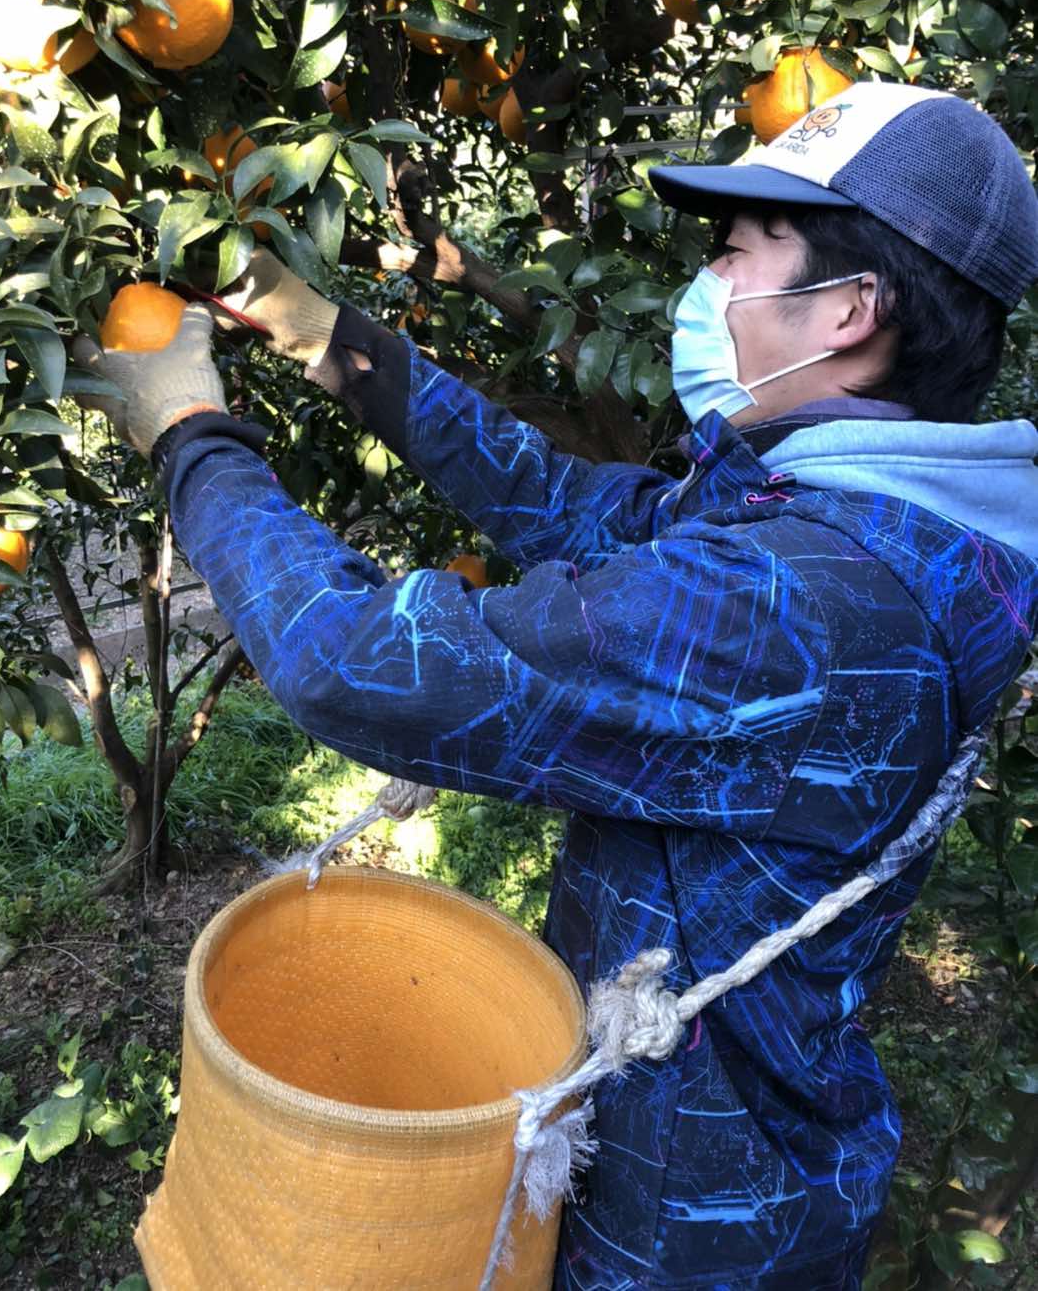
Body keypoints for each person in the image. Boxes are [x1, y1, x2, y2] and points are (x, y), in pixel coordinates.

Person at [75, 81, 1038, 1289]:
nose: (711, 287)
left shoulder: (798, 603)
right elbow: (581, 508)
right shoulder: (872, 524)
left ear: (846, 308)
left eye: (739, 253)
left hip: (685, 1223)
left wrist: (192, 440)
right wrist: (343, 348)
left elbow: (353, 661)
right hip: (731, 1148)